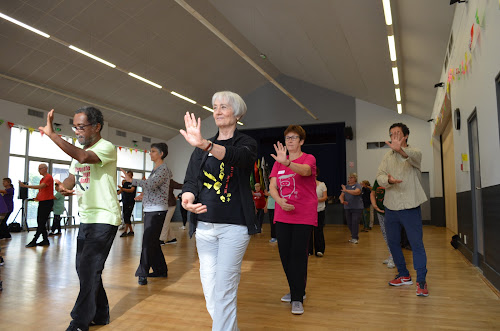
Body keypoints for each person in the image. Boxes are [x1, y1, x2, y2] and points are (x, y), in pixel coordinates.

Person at [38, 107, 121, 331]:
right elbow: (72, 178)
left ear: (97, 127)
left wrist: (53, 135)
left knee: (88, 268)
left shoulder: (106, 148)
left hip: (104, 217)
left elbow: (83, 157)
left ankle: (79, 321)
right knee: (85, 268)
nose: (77, 131)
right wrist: (63, 187)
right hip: (86, 216)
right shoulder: (79, 153)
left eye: (81, 127)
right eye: (74, 127)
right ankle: (101, 313)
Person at [181, 91, 258, 331]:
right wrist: (187, 199)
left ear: (237, 114)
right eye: (215, 107)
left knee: (225, 288)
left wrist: (206, 144)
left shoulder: (247, 144)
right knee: (211, 289)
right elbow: (191, 181)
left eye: (223, 107)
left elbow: (237, 158)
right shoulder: (198, 150)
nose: (217, 111)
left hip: (234, 227)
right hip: (204, 226)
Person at [269, 125, 317, 315]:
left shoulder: (309, 158)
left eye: (294, 137)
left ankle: (297, 298)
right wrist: (279, 199)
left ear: (301, 141)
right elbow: (273, 186)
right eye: (287, 137)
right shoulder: (278, 163)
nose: (289, 140)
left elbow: (305, 172)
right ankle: (297, 289)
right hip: (282, 215)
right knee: (285, 256)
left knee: (298, 255)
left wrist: (287, 163)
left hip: (304, 215)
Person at [376, 122, 429, 297]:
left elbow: (413, 157)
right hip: (391, 206)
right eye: (391, 134)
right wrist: (388, 181)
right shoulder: (387, 157)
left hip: (410, 206)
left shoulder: (415, 153)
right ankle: (404, 275)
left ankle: (421, 281)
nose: (394, 137)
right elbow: (380, 176)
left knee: (416, 244)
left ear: (405, 136)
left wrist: (400, 150)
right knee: (392, 243)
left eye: (398, 133)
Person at [123, 143, 172, 285]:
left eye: (153, 151)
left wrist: (132, 181)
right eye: (150, 151)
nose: (150, 153)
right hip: (151, 209)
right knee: (153, 242)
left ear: (161, 154)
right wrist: (143, 196)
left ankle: (142, 273)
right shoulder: (155, 169)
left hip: (157, 210)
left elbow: (151, 184)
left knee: (147, 242)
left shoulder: (163, 169)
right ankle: (160, 270)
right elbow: (152, 188)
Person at [20, 163, 54, 247]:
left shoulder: (48, 177)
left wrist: (26, 186)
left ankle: (35, 240)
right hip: (43, 202)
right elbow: (42, 191)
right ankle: (45, 240)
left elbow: (41, 187)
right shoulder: (43, 178)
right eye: (38, 169)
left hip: (47, 202)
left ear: (45, 169)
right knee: (40, 221)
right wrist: (37, 197)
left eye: (40, 168)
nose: (39, 170)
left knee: (41, 221)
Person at [371, 180, 395, 268]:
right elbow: (373, 193)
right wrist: (374, 205)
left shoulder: (392, 180)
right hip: (380, 212)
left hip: (392, 211)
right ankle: (391, 255)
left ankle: (394, 257)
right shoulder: (378, 181)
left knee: (392, 235)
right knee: (385, 234)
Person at [339, 173, 363, 244]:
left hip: (357, 207)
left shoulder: (357, 185)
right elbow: (341, 196)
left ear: (355, 178)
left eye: (352, 177)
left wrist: (346, 190)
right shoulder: (346, 186)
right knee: (349, 223)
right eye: (349, 177)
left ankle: (354, 237)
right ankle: (354, 236)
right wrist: (342, 201)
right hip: (347, 207)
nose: (350, 179)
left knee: (355, 221)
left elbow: (357, 192)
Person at [309, 168, 327, 257]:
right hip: (308, 211)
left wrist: (315, 200)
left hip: (319, 210)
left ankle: (319, 250)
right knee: (308, 230)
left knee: (318, 230)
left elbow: (325, 197)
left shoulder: (322, 185)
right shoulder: (306, 184)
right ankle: (309, 250)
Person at [159, 179, 183, 245]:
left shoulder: (170, 181)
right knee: (165, 222)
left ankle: (161, 239)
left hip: (171, 205)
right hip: (162, 205)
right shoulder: (158, 181)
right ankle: (171, 238)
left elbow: (180, 186)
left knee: (164, 222)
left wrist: (190, 185)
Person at [117, 171, 136, 237]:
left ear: (132, 176)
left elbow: (131, 190)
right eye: (127, 175)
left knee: (127, 216)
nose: (128, 176)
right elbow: (120, 192)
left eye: (129, 175)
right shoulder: (125, 183)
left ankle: (125, 231)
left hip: (130, 202)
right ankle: (131, 231)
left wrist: (122, 189)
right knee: (126, 216)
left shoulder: (133, 182)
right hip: (125, 202)